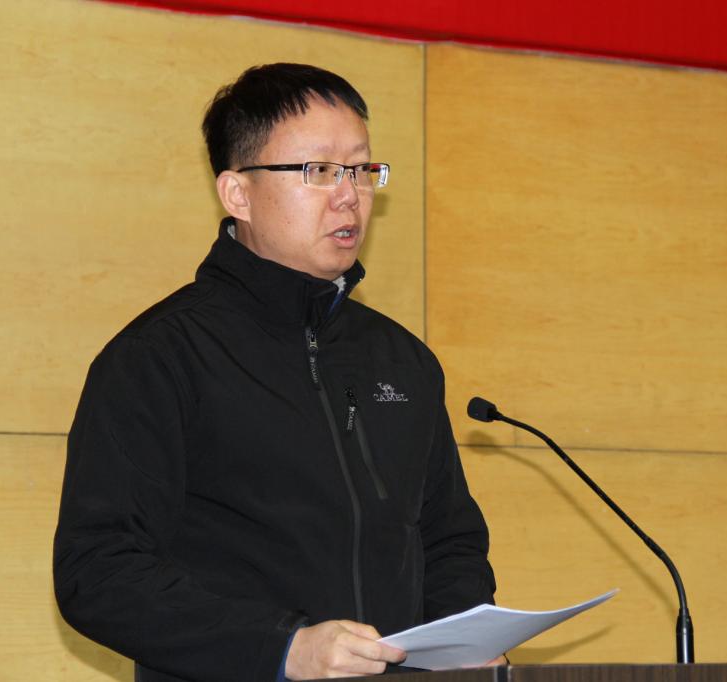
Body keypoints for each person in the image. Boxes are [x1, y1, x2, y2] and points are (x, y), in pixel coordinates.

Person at [54, 63, 500, 682]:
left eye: (361, 170)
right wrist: (282, 649)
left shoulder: (404, 361)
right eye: (319, 171)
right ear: (237, 194)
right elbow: (99, 570)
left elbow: (448, 541)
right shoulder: (159, 357)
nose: (349, 195)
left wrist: (463, 642)